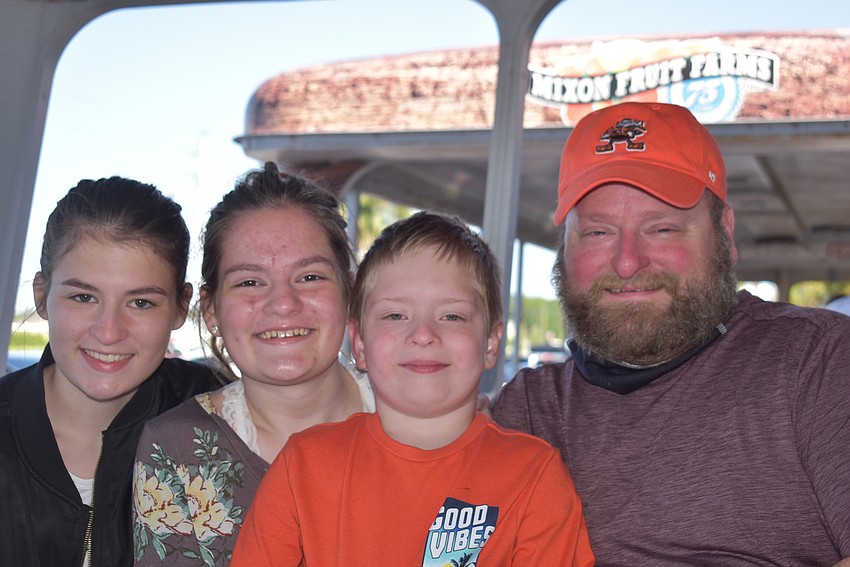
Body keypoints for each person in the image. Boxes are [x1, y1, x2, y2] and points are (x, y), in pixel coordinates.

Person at [491, 101, 850, 566]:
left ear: (724, 232)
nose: (626, 262)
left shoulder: (819, 362)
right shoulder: (530, 411)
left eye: (661, 228)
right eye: (598, 232)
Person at [230, 211, 595, 566]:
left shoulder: (535, 477)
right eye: (395, 315)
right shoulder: (303, 466)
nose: (423, 334)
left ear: (489, 343)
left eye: (451, 316)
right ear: (358, 344)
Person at [132, 162, 375, 566]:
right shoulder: (174, 451)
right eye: (249, 282)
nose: (282, 303)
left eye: (310, 277)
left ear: (349, 291)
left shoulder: (417, 424)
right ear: (211, 309)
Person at [0, 177, 222, 567]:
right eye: (83, 297)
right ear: (42, 296)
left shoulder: (223, 417)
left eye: (140, 302)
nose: (108, 331)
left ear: (179, 307)